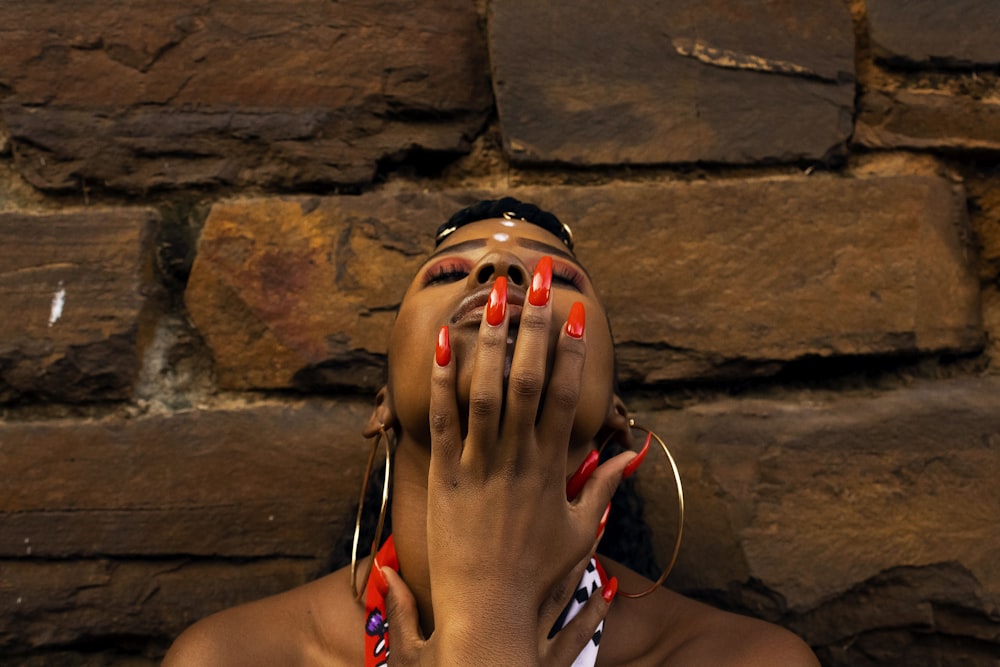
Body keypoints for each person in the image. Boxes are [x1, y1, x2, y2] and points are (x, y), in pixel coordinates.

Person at [163, 198, 818, 666]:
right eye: (450, 272)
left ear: (616, 412)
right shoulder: (235, 655)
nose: (499, 276)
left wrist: (490, 619)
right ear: (383, 403)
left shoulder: (747, 658)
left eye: (557, 278)